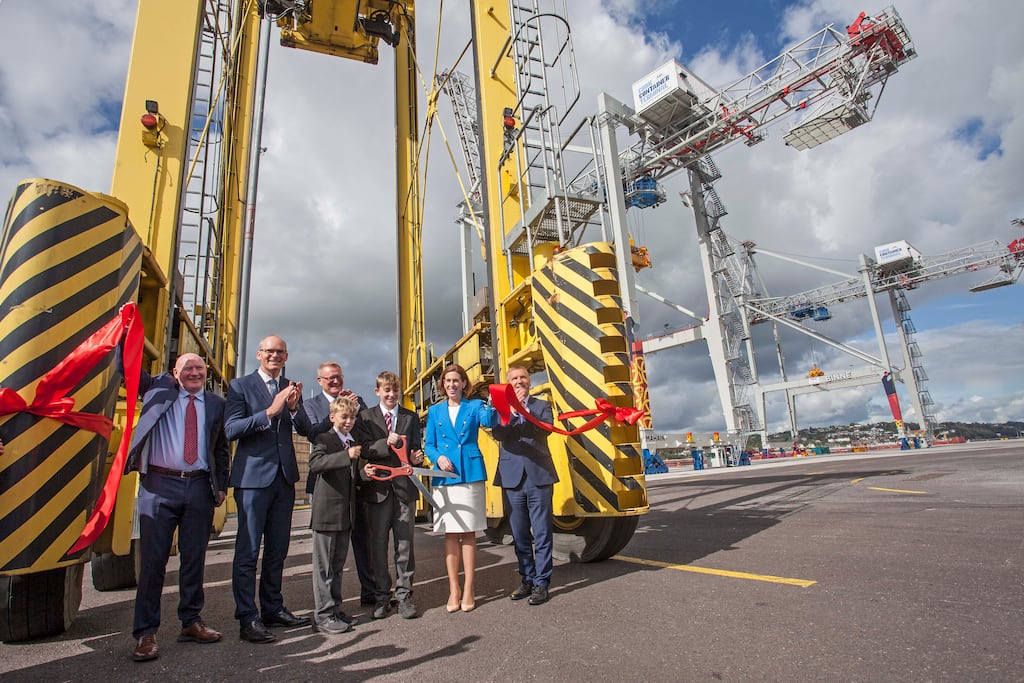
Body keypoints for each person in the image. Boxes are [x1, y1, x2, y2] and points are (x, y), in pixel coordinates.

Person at [123, 352, 230, 662]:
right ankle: (145, 632)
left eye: (199, 368)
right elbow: (126, 367)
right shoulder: (156, 390)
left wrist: (221, 486)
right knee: (153, 563)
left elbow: (221, 449)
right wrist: (124, 330)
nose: (194, 373)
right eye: (188, 368)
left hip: (198, 486)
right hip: (158, 485)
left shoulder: (215, 404)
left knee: (194, 559)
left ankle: (191, 621)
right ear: (175, 372)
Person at [225, 335, 315, 644]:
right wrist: (270, 412)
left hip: (284, 478)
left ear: (286, 356)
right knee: (248, 551)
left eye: (280, 352)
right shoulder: (240, 386)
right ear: (259, 354)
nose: (274, 356)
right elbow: (231, 429)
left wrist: (291, 409)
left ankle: (273, 609)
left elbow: (304, 428)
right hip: (252, 479)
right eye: (269, 351)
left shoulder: (290, 386)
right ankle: (247, 617)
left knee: (277, 550)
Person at [353, 370, 424, 620]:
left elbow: (416, 448)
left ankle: (404, 597)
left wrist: (418, 457)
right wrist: (386, 442)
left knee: (404, 546)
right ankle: (382, 597)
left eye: (395, 390)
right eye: (387, 390)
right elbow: (364, 449)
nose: (392, 395)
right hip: (378, 492)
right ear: (377, 392)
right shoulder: (365, 417)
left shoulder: (410, 417)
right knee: (378, 546)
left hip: (404, 490)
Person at [304, 361, 375, 606]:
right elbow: (314, 436)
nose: (336, 382)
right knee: (328, 553)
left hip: (353, 486)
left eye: (339, 377)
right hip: (328, 487)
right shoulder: (312, 405)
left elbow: (366, 430)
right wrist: (338, 413)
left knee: (356, 544)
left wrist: (358, 407)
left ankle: (368, 592)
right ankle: (325, 610)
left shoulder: (354, 404)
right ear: (320, 381)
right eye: (330, 378)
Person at [424, 363, 493, 613]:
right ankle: (454, 588)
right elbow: (429, 444)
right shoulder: (434, 411)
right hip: (445, 475)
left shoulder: (475, 406)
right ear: (442, 385)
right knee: (451, 534)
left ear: (464, 383)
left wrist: (494, 401)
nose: (451, 385)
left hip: (470, 472)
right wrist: (437, 457)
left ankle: (470, 587)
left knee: (469, 533)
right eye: (447, 381)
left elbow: (490, 421)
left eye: (456, 380)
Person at [490, 364, 558, 606]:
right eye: (514, 378)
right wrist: (511, 410)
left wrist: (522, 410)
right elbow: (499, 433)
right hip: (512, 477)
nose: (519, 381)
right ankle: (526, 579)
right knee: (519, 534)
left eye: (523, 377)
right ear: (509, 383)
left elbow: (544, 430)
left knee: (541, 532)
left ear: (529, 381)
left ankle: (542, 582)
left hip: (538, 475)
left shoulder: (541, 406)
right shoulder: (501, 408)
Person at [309, 395, 365, 635]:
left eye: (352, 417)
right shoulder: (325, 438)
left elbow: (352, 477)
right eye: (344, 417)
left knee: (337, 565)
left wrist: (366, 473)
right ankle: (323, 614)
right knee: (324, 567)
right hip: (327, 513)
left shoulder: (352, 441)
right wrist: (347, 456)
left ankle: (335, 608)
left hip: (345, 513)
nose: (349, 421)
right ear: (332, 417)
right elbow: (316, 463)